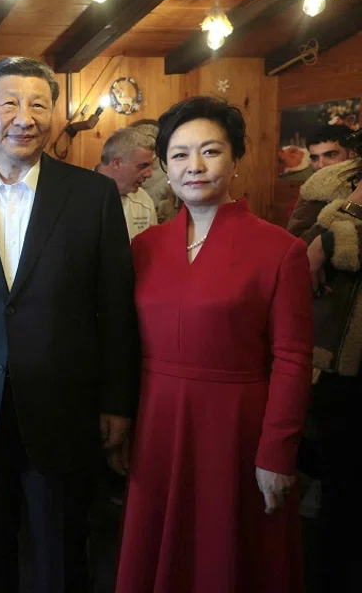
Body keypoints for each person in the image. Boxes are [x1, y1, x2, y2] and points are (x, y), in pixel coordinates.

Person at [0, 56, 139, 592]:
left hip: (65, 403)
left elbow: (115, 306)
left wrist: (118, 401)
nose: (25, 117)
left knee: (64, 552)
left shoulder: (92, 196)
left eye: (39, 104)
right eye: (10, 103)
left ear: (54, 116)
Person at [116, 96, 313, 593]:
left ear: (235, 158)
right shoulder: (145, 247)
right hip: (157, 422)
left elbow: (292, 359)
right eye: (180, 155)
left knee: (227, 557)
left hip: (235, 429)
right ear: (164, 166)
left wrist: (277, 452)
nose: (194, 167)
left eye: (210, 151)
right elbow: (123, 343)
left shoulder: (279, 249)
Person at [286, 142, 362, 592]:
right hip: (339, 361)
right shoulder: (328, 183)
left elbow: (329, 248)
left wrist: (331, 236)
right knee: (342, 490)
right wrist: (349, 210)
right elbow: (298, 251)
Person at [94, 126, 158, 240]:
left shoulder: (144, 201)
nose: (149, 174)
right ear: (117, 163)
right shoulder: (76, 194)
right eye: (142, 166)